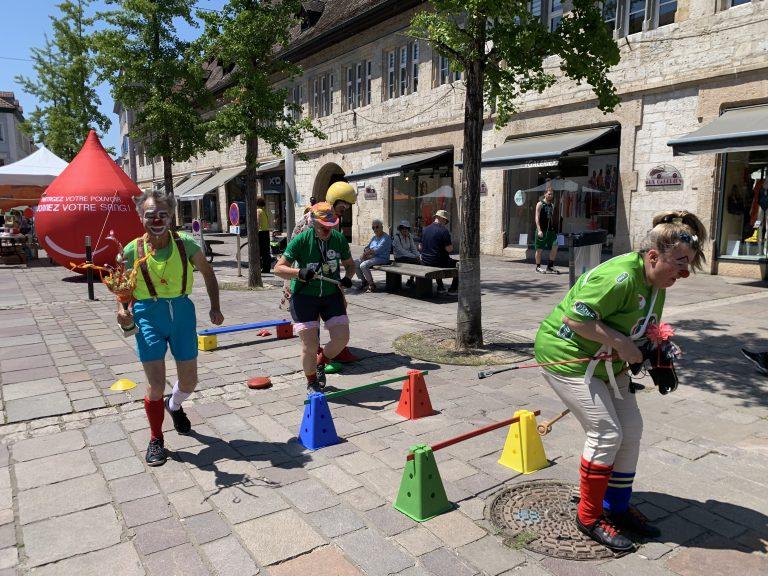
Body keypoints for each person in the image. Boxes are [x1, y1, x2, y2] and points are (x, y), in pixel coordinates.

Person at [533, 210, 707, 551]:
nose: (685, 272)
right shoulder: (621, 277)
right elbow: (576, 318)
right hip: (566, 356)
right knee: (606, 432)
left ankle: (616, 507)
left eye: (689, 263)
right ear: (654, 256)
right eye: (680, 263)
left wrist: (657, 348)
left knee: (631, 429)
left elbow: (641, 329)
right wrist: (622, 344)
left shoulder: (658, 282)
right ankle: (589, 516)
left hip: (607, 364)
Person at [117, 190, 224, 466]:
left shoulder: (185, 244)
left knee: (189, 381)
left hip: (182, 313)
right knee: (155, 385)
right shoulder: (131, 250)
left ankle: (174, 405)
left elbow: (209, 274)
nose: (156, 220)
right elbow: (123, 290)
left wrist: (215, 306)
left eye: (162, 214)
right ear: (141, 216)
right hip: (148, 314)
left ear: (172, 215)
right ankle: (156, 439)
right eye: (150, 215)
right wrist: (123, 311)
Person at [274, 202, 356, 392]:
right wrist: (299, 272)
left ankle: (321, 362)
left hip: (331, 295)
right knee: (310, 345)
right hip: (304, 297)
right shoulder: (301, 240)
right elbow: (278, 268)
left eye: (330, 226)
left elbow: (350, 265)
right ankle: (312, 382)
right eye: (322, 226)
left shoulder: (339, 239)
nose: (327, 230)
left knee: (342, 338)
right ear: (312, 222)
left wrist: (348, 278)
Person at [280, 181, 360, 364]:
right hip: (304, 280)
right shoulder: (309, 223)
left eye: (346, 208)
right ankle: (314, 352)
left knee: (340, 314)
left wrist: (346, 277)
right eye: (342, 207)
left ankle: (330, 352)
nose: (343, 211)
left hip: (328, 283)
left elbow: (341, 256)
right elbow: (291, 256)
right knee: (310, 323)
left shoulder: (331, 221)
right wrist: (299, 273)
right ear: (333, 201)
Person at [419, 209, 457, 294]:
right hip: (439, 262)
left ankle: (440, 287)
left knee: (436, 259)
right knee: (460, 265)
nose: (445, 223)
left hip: (425, 261)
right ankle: (453, 289)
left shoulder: (425, 229)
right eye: (445, 221)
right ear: (442, 219)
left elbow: (420, 247)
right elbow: (449, 249)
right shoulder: (444, 231)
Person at [355, 219, 391, 292]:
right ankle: (364, 281)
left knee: (363, 265)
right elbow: (367, 247)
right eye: (373, 228)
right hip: (372, 257)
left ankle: (372, 285)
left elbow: (377, 250)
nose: (375, 229)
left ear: (381, 227)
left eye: (377, 227)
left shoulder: (386, 238)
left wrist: (365, 254)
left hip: (382, 258)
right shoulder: (374, 237)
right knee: (355, 262)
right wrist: (366, 253)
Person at [535, 180, 560, 274]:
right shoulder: (540, 204)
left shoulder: (552, 205)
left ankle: (550, 266)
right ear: (545, 194)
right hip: (542, 230)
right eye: (549, 194)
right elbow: (536, 218)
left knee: (555, 245)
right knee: (539, 249)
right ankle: (538, 266)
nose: (551, 196)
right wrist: (539, 230)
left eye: (552, 194)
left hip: (550, 230)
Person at [393, 220, 420, 287]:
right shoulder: (397, 237)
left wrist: (417, 255)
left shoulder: (409, 236)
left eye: (406, 228)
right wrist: (414, 256)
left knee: (418, 261)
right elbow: (402, 251)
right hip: (399, 257)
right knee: (416, 262)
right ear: (400, 228)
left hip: (408, 256)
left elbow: (413, 248)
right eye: (403, 228)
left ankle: (412, 280)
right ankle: (412, 280)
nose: (404, 230)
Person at [256, 196, 271, 273]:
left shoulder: (258, 211)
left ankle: (259, 267)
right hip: (266, 232)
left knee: (259, 251)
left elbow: (258, 222)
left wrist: (255, 232)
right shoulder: (264, 211)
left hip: (260, 232)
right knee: (266, 251)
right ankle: (267, 268)